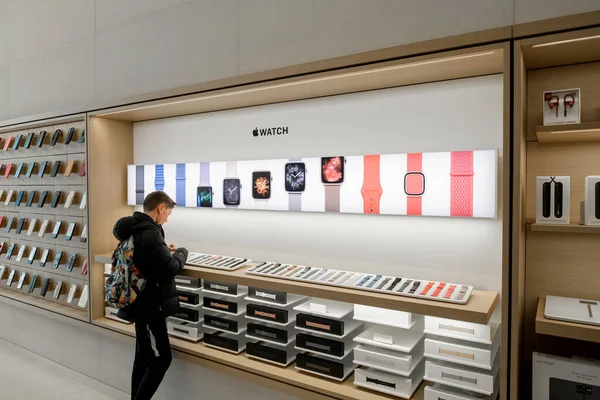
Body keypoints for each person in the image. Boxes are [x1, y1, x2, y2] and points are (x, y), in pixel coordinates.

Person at [112, 191, 188, 400]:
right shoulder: (151, 233)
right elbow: (170, 268)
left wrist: (164, 250)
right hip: (150, 305)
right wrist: (182, 253)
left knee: (143, 356)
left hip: (136, 302)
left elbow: (148, 259)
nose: (167, 218)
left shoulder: (133, 228)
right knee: (163, 357)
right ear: (160, 208)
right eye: (168, 213)